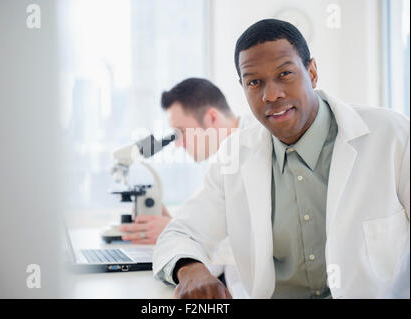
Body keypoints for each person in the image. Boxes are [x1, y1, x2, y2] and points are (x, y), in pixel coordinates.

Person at [153, 19, 410, 299]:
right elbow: (180, 233)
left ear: (312, 72)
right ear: (242, 86)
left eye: (285, 74)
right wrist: (191, 269)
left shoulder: (393, 136)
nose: (271, 94)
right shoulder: (234, 157)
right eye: (254, 82)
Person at [119, 78, 256, 297]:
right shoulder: (224, 161)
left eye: (181, 132)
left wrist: (173, 230)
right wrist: (176, 227)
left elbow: (254, 243)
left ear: (211, 117)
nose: (178, 144)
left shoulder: (255, 147)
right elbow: (217, 226)